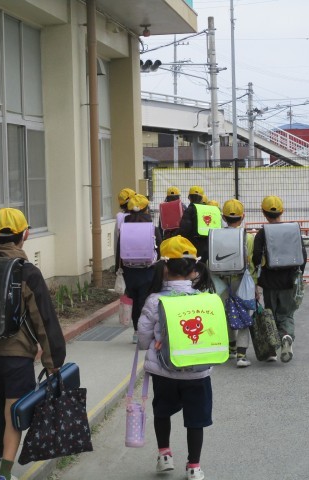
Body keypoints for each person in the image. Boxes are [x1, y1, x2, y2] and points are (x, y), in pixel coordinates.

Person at [0, 208, 66, 480]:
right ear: (25, 235)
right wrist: (53, 360)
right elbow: (44, 319)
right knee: (14, 410)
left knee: (1, 400)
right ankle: (5, 472)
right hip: (17, 354)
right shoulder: (26, 272)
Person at [137, 235, 216, 480]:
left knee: (162, 411)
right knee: (196, 419)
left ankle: (164, 456)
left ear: (164, 268)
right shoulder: (204, 299)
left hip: (164, 371)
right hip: (197, 372)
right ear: (193, 270)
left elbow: (142, 338)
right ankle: (194, 467)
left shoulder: (154, 300)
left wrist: (152, 343)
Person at [251, 196, 307, 363]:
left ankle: (272, 350)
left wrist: (257, 278)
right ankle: (287, 336)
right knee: (287, 313)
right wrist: (299, 275)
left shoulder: (263, 233)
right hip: (289, 280)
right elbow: (303, 255)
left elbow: (256, 257)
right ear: (282, 211)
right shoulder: (293, 230)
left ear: (263, 212)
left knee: (271, 313)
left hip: (269, 282)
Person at [115, 194, 161, 343]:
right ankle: (147, 331)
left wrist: (118, 270)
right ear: (146, 210)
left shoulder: (124, 229)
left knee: (135, 301)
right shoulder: (152, 228)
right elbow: (160, 251)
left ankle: (136, 331)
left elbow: (119, 252)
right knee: (146, 301)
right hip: (148, 270)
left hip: (129, 271)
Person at [218, 199, 256, 368]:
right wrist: (255, 285)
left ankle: (231, 347)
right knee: (244, 315)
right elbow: (253, 263)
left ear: (223, 217)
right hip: (243, 282)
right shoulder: (248, 237)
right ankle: (241, 354)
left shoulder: (216, 235)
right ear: (243, 216)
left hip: (222, 282)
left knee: (227, 314)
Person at [179, 185, 211, 261]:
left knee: (192, 265)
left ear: (189, 197)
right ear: (202, 198)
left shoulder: (189, 210)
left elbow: (184, 229)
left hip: (192, 246)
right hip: (207, 246)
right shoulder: (208, 210)